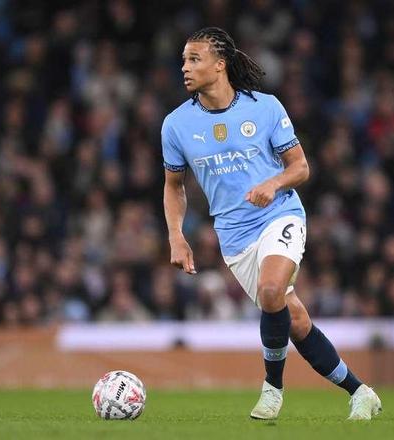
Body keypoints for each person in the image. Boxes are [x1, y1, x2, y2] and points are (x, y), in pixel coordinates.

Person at [161, 27, 382, 420]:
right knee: (293, 318)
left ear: (220, 64)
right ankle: (360, 392)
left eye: (194, 59)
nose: (185, 68)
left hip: (279, 214)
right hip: (234, 236)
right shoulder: (176, 124)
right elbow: (173, 186)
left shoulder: (264, 108)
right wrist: (176, 236)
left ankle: (272, 390)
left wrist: (273, 183)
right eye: (183, 60)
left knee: (270, 289)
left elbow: (301, 167)